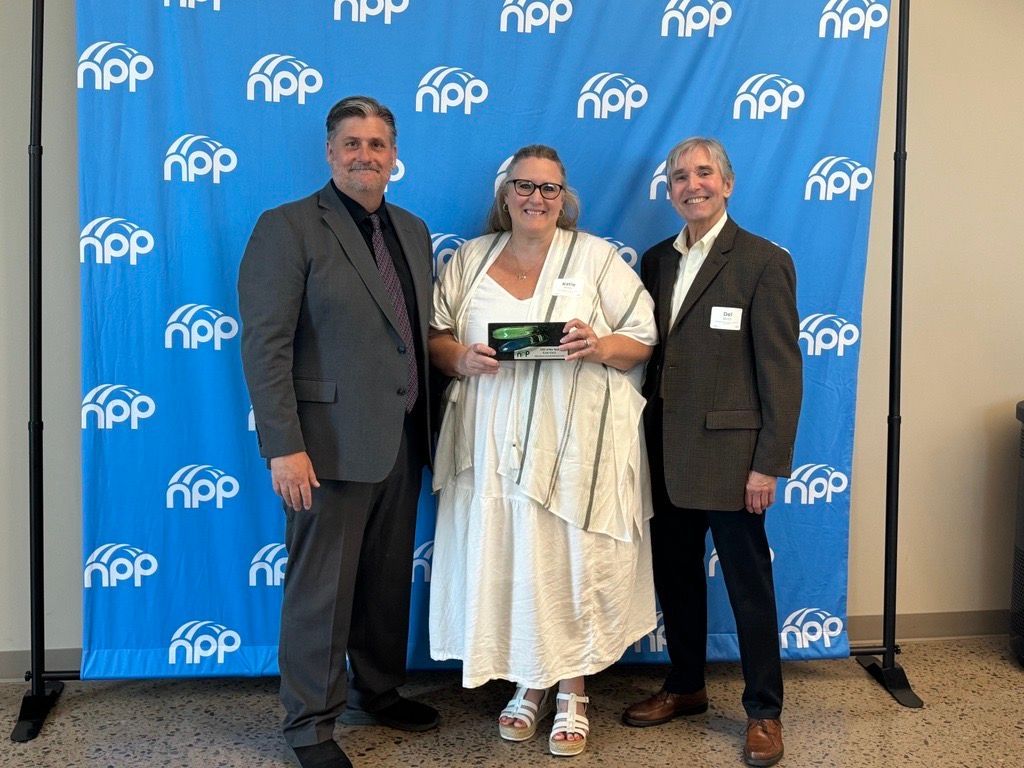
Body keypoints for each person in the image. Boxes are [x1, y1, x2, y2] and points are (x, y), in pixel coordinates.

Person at [428, 145, 658, 758]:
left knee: (567, 563)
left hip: (573, 445)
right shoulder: (469, 260)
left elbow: (642, 337)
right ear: (504, 195)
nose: (537, 198)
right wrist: (460, 358)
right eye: (524, 186)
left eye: (550, 188)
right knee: (514, 561)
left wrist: (598, 343)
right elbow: (435, 335)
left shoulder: (595, 257)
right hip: (489, 442)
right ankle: (529, 684)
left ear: (565, 198)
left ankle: (573, 691)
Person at [238, 95, 438, 768]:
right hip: (323, 449)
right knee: (321, 593)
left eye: (377, 144)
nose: (365, 155)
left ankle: (378, 691)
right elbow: (265, 346)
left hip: (402, 440)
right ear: (330, 153)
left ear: (393, 156)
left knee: (385, 584)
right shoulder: (287, 227)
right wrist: (283, 447)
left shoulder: (412, 229)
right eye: (351, 143)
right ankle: (310, 727)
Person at [622, 137, 802, 768]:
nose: (691, 184)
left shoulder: (761, 261)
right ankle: (687, 686)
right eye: (679, 176)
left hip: (734, 462)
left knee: (750, 586)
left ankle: (764, 712)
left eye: (703, 173)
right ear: (669, 190)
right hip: (665, 454)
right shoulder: (654, 261)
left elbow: (781, 371)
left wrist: (768, 463)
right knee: (676, 579)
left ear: (727, 183)